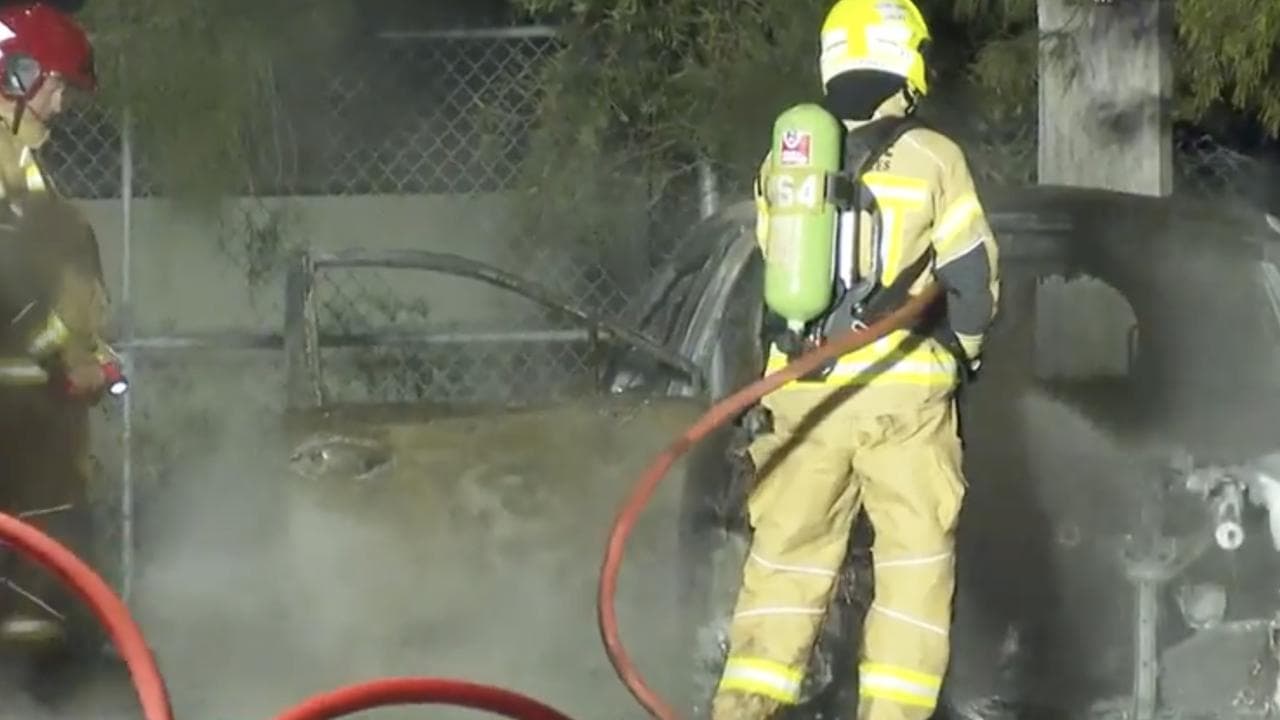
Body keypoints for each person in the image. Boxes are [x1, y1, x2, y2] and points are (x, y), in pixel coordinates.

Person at [709, 0, 1001, 718]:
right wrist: (964, 355)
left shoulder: (786, 157)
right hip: (902, 404)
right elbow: (972, 278)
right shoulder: (934, 157)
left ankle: (743, 708)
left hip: (804, 392)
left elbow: (779, 273)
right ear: (907, 61)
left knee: (785, 562)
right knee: (912, 565)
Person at [0, 0, 111, 671]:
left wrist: (77, 349)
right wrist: (63, 355)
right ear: (17, 73)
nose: (61, 105)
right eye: (57, 85)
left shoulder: (19, 164)